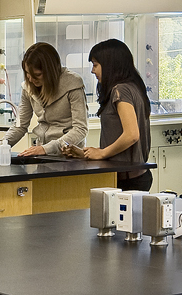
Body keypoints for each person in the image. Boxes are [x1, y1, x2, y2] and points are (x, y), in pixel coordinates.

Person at [64, 39, 151, 190]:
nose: (93, 70)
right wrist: (86, 154)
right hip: (134, 176)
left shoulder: (120, 90)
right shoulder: (133, 88)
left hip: (128, 179)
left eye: (96, 65)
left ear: (110, 65)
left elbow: (132, 135)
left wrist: (102, 153)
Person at [3, 42, 87, 156]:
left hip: (69, 155)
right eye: (28, 73)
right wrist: (0, 146)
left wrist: (47, 148)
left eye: (37, 75)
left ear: (51, 71)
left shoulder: (73, 84)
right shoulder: (27, 88)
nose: (31, 79)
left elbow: (80, 129)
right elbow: (20, 126)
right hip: (42, 153)